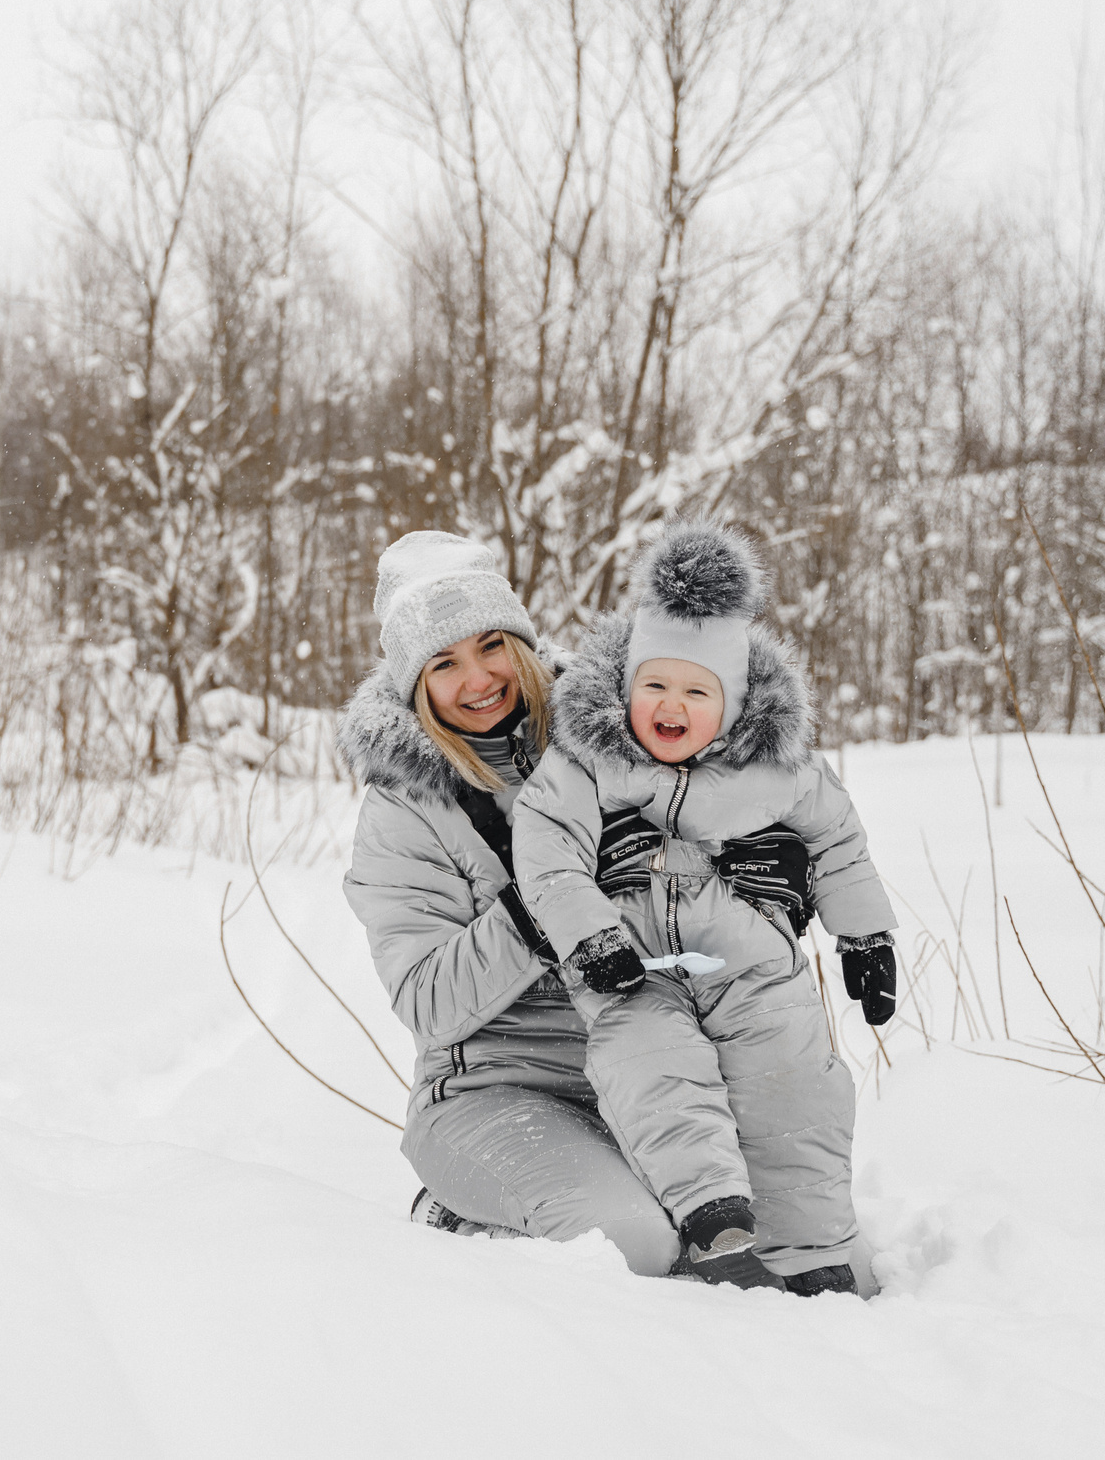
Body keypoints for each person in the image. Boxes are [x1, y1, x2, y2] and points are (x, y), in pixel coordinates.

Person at [338, 530, 817, 1275]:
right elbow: (426, 999)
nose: (478, 678)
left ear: (522, 639)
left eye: (491, 643)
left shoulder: (618, 735)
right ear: (413, 682)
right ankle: (461, 1216)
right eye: (444, 662)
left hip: (646, 1067)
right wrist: (545, 908)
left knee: (786, 1234)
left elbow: (697, 849)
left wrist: (766, 875)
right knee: (637, 1245)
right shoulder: (405, 810)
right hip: (496, 1091)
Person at [515, 521, 897, 1295]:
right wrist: (589, 938)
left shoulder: (777, 766)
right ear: (626, 687)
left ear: (730, 704)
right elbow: (546, 847)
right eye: (654, 685)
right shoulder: (588, 759)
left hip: (749, 955)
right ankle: (713, 1214)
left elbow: (838, 838)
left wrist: (863, 935)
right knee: (651, 1062)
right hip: (631, 964)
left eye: (696, 691)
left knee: (794, 1076)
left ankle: (812, 1250)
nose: (671, 704)